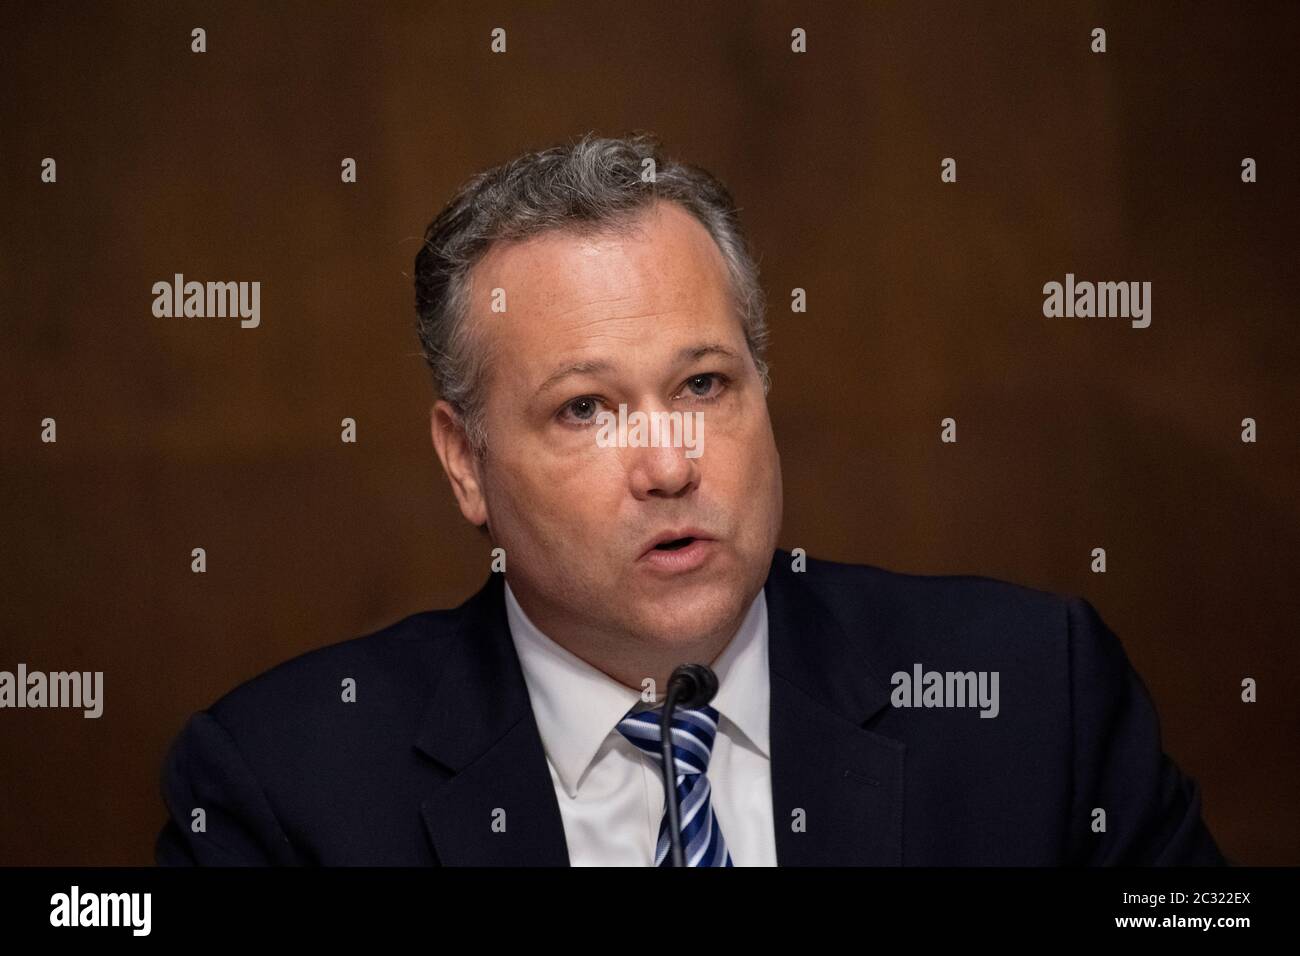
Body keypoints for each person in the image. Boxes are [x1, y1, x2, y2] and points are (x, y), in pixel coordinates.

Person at [155, 132, 1226, 866]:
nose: (669, 464)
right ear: (465, 461)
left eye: (703, 385)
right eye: (585, 408)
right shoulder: (285, 789)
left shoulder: (1035, 694)